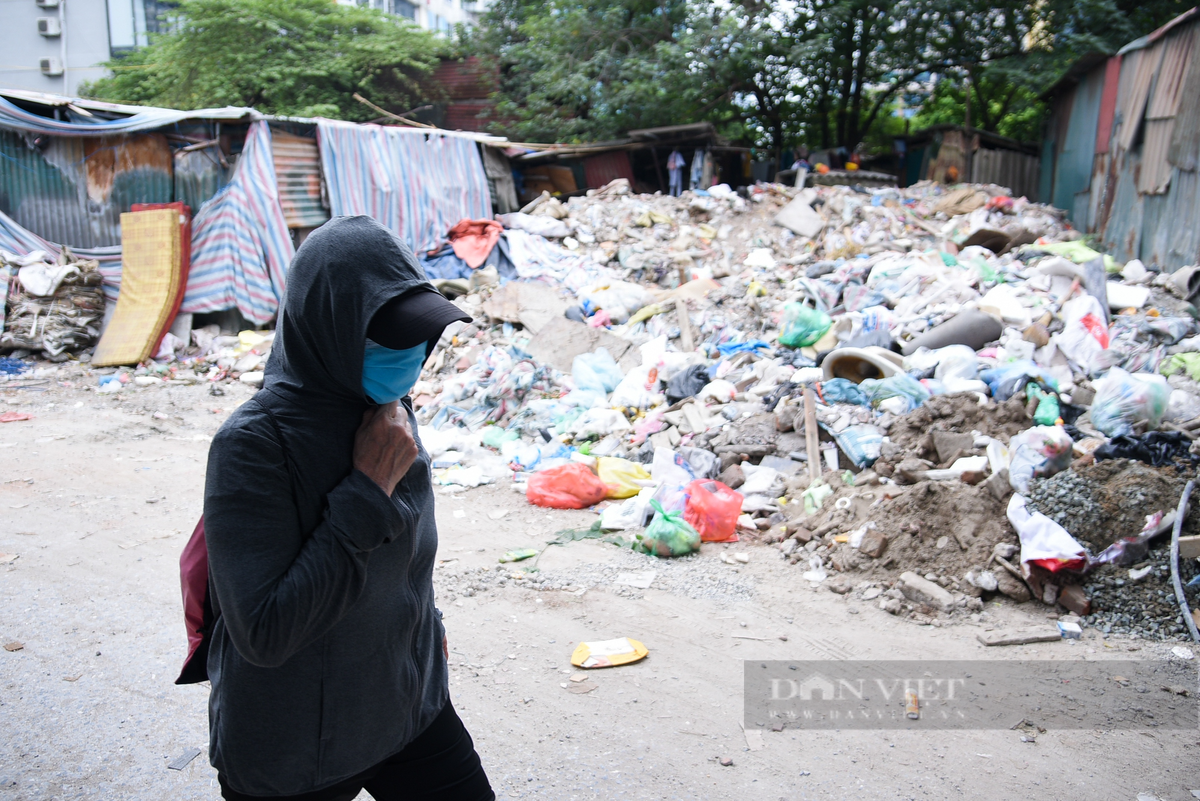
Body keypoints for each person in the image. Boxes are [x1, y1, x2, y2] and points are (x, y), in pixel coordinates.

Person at [203, 216, 494, 801]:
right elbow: (264, 634)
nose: (409, 354)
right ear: (327, 330)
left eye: (420, 336)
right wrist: (367, 487)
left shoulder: (388, 408)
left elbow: (406, 555)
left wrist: (424, 627)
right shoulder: (253, 444)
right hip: (296, 746)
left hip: (407, 703)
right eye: (387, 339)